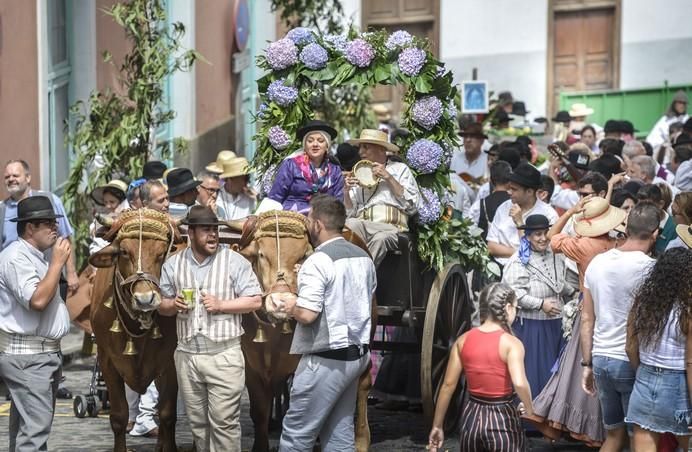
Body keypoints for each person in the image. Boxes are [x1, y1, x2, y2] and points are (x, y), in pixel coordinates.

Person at [158, 205, 262, 451]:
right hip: (187, 354)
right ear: (191, 233)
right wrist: (173, 304)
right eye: (206, 230)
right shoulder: (173, 264)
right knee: (198, 426)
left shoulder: (234, 261)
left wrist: (222, 304)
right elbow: (161, 305)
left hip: (224, 354)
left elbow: (256, 300)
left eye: (215, 229)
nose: (213, 235)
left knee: (224, 424)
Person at [277, 194, 376, 451]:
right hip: (356, 356)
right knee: (339, 435)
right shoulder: (364, 257)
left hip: (325, 359)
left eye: (309, 218)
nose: (307, 224)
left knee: (296, 435)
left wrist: (290, 306)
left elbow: (308, 314)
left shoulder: (317, 261)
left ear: (318, 224)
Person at [581, 202, 660, 452]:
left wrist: (587, 364)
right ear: (655, 233)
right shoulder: (651, 268)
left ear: (627, 228)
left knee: (613, 436)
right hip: (631, 360)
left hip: (601, 358)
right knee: (640, 436)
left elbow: (586, 318)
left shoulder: (597, 263)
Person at [0, 196, 71, 451]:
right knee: (34, 434)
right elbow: (37, 300)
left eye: (55, 222)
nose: (55, 228)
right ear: (30, 227)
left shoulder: (37, 256)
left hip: (41, 355)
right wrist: (57, 264)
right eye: (48, 223)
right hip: (29, 358)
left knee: (25, 429)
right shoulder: (16, 257)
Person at [428, 283, 533, 452]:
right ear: (507, 308)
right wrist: (529, 409)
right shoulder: (512, 343)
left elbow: (447, 386)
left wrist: (437, 426)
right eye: (516, 307)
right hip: (502, 419)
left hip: (472, 417)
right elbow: (520, 383)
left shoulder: (462, 340)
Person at [624, 248, 692, 451]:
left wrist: (643, 373)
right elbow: (691, 362)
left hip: (645, 378)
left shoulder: (643, 302)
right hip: (679, 384)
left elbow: (630, 347)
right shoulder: (687, 309)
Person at [502, 214, 576, 397]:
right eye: (537, 234)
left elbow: (557, 282)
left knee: (556, 369)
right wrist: (540, 304)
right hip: (532, 326)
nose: (543, 238)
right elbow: (514, 293)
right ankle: (532, 417)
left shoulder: (555, 255)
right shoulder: (518, 260)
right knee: (536, 370)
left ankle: (551, 415)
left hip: (556, 324)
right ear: (527, 236)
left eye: (545, 233)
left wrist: (572, 292)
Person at [344, 129, 420, 267]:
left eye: (366, 147)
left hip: (391, 227)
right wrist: (346, 191)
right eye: (360, 147)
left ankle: (362, 276)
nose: (361, 152)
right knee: (349, 225)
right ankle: (348, 271)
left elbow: (412, 206)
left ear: (381, 149)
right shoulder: (358, 172)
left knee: (380, 239)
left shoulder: (399, 169)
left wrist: (388, 177)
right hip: (364, 224)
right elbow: (351, 213)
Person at [1, 160, 79, 294]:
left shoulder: (49, 200)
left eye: (15, 175)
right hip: (14, 278)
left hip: (49, 273)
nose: (11, 179)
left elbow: (65, 238)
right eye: (7, 177)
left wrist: (71, 272)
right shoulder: (1, 209)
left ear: (28, 177)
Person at [487, 162, 559, 268]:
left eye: (514, 189)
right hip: (499, 268)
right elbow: (491, 247)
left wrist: (520, 224)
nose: (509, 192)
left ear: (529, 192)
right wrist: (519, 253)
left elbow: (543, 253)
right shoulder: (503, 207)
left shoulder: (548, 214)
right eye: (509, 188)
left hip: (531, 272)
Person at [266, 120, 344, 215]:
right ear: (305, 146)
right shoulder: (291, 165)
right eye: (310, 141)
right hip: (294, 217)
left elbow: (338, 201)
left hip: (325, 219)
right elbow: (276, 197)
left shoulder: (335, 170)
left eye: (320, 141)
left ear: (327, 146)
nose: (315, 144)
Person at [636, 184, 677, 254]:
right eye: (640, 205)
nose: (642, 210)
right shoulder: (636, 219)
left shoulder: (673, 228)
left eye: (648, 206)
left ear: (661, 204)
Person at [477, 161, 512, 239]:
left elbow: (473, 229)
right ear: (510, 181)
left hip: (487, 247)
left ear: (491, 181)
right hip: (510, 248)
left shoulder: (481, 204)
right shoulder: (516, 203)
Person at [451, 122, 488, 191]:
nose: (468, 140)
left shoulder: (487, 160)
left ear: (482, 140)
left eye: (472, 136)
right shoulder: (455, 159)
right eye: (466, 136)